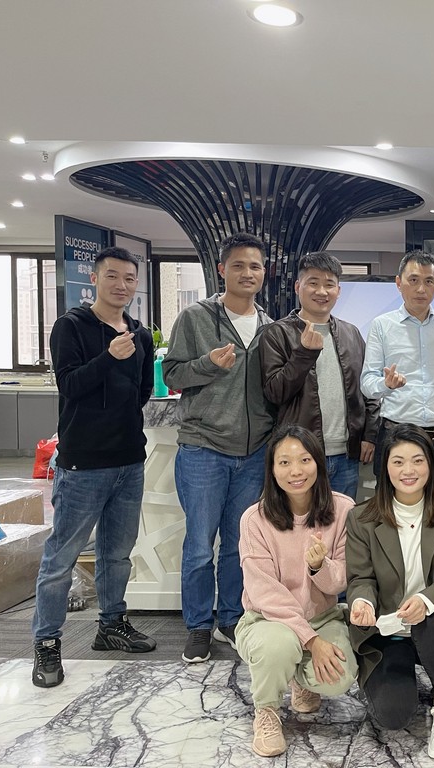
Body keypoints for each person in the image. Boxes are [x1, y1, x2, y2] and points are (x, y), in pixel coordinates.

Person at [32, 247, 157, 688]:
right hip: (83, 463)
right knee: (61, 557)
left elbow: (142, 392)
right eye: (113, 276)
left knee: (117, 554)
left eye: (129, 278)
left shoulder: (140, 334)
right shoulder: (71, 326)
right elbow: (69, 384)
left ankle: (111, 625)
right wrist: (109, 357)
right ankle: (47, 642)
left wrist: (123, 358)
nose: (122, 285)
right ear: (95, 279)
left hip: (129, 460)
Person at [163, 232, 275, 664]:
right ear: (222, 270)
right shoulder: (195, 317)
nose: (248, 273)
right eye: (239, 265)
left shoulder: (269, 326)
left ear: (264, 273)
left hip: (254, 453)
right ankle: (198, 626)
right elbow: (172, 374)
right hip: (204, 449)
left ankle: (231, 618)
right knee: (198, 545)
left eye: (255, 266)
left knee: (238, 545)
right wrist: (207, 365)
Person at [346, 424, 434, 761]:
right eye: (398, 461)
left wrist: (426, 600)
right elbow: (361, 577)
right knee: (393, 715)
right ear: (385, 466)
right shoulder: (361, 517)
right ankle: (394, 679)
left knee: (427, 616)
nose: (408, 470)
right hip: (389, 629)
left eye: (417, 460)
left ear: (431, 464)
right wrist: (362, 601)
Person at [237, 425, 357, 757]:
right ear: (272, 469)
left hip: (323, 617)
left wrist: (319, 567)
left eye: (304, 460)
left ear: (318, 462)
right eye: (285, 462)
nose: (296, 471)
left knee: (340, 676)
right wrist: (311, 641)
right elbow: (265, 593)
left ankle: (299, 680)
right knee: (278, 645)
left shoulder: (343, 509)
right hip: (267, 620)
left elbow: (341, 581)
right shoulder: (254, 519)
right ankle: (266, 711)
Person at [259, 251, 378, 499]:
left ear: (339, 290)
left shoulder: (351, 333)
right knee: (299, 520)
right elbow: (275, 392)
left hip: (346, 456)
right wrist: (304, 354)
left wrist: (369, 435)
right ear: (298, 287)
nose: (321, 291)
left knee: (342, 521)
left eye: (329, 284)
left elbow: (367, 389)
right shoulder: (276, 333)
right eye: (313, 283)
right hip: (299, 455)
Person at [360, 251, 434, 491]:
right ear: (399, 283)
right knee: (391, 509)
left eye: (429, 281)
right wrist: (386, 385)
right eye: (414, 280)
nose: (421, 289)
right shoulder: (382, 326)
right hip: (396, 438)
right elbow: (367, 382)